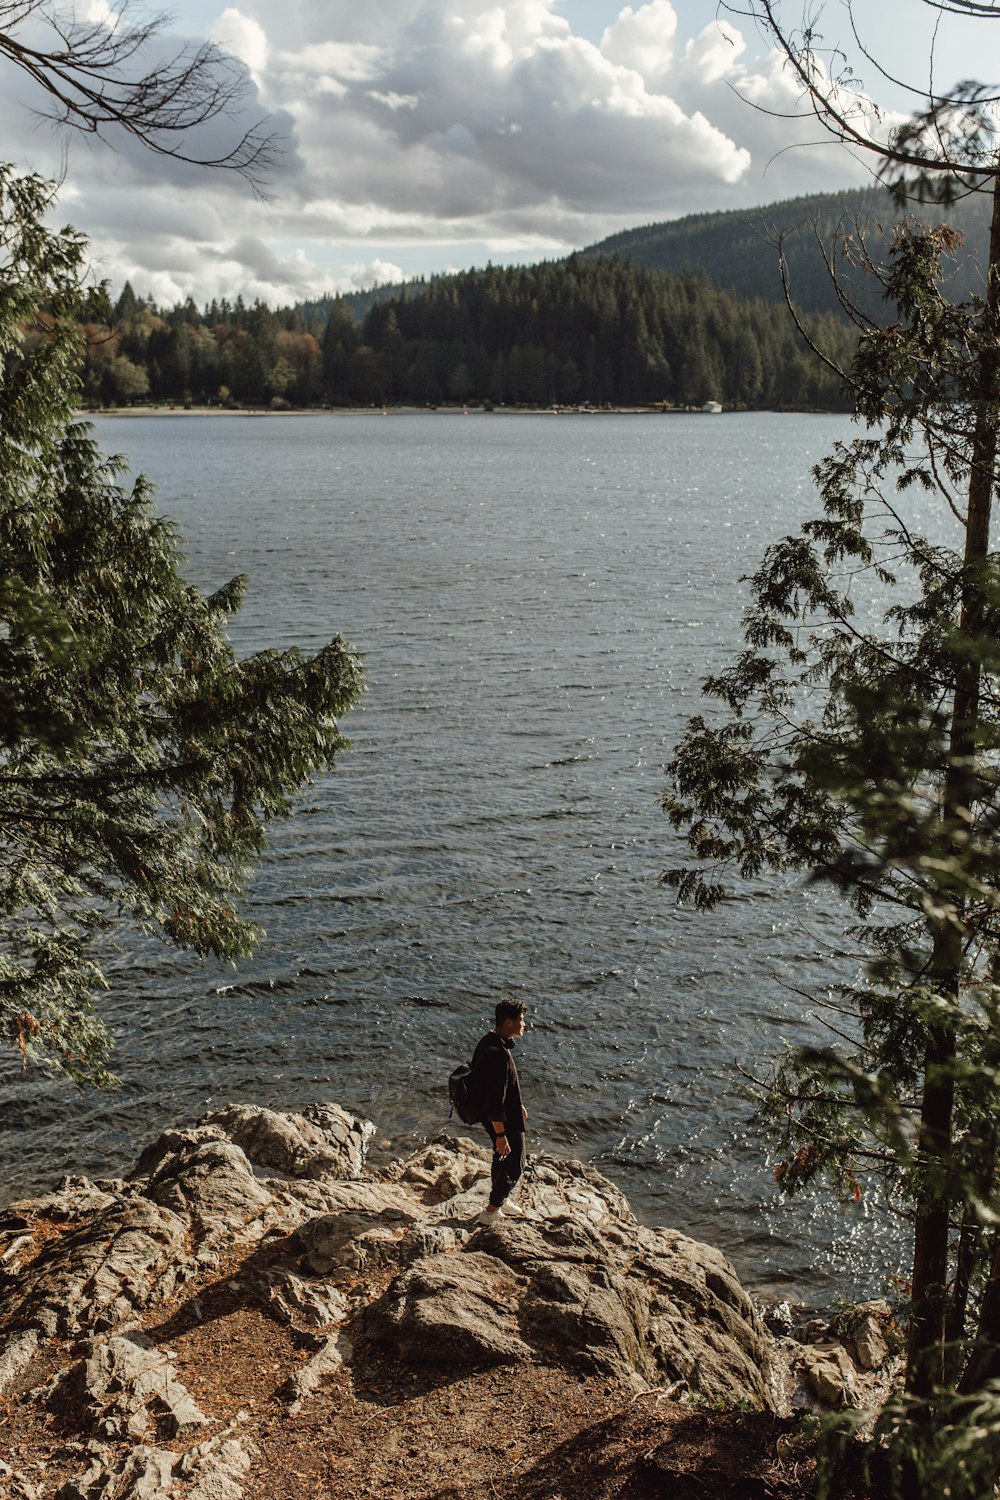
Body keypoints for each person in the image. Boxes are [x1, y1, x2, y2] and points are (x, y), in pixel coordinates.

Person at [472, 997, 528, 1224]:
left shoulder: (489, 1041)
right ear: (507, 1023)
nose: (524, 1024)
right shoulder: (497, 1054)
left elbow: (500, 1087)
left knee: (502, 1157)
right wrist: (500, 1134)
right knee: (515, 1162)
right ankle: (491, 1211)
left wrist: (518, 1104)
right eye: (521, 1020)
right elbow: (495, 1101)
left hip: (502, 1113)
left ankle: (501, 1199)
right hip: (501, 1118)